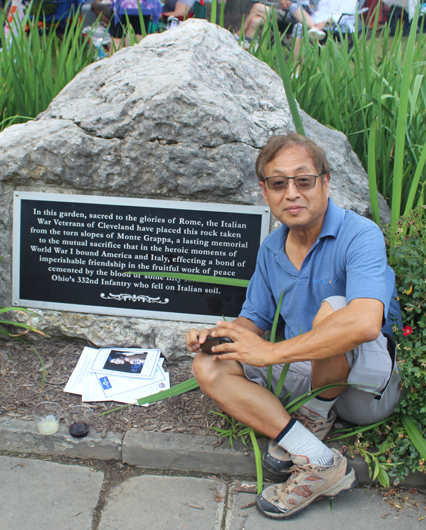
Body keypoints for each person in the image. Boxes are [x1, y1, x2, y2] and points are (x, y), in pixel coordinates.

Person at [186, 133, 402, 519]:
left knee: (335, 309)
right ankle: (318, 458)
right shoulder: (272, 248)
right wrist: (219, 337)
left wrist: (270, 352)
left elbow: (367, 322)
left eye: (303, 180)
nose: (292, 193)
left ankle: (318, 414)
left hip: (365, 389)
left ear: (325, 181)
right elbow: (254, 320)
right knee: (210, 364)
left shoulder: (360, 234)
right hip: (308, 370)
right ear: (264, 191)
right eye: (278, 183)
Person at [236, 0, 325, 45]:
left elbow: (313, 7)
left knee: (257, 7)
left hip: (296, 18)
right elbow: (282, 4)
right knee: (255, 21)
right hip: (284, 14)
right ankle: (246, 49)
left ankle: (237, 36)